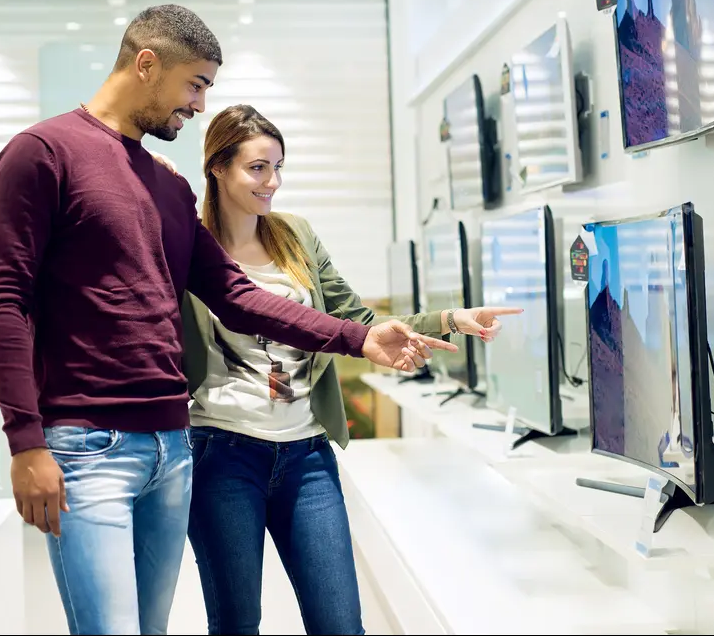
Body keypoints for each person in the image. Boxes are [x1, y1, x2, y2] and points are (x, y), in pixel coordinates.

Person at [0, 5, 453, 636]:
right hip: (88, 445)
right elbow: (0, 303)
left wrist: (361, 337)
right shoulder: (42, 153)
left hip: (173, 447)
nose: (199, 106)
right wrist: (26, 442)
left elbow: (236, 294)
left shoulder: (167, 188)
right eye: (195, 84)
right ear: (147, 64)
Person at [154, 104, 519, 635]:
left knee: (341, 624)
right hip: (224, 454)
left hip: (307, 454)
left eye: (279, 166)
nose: (272, 181)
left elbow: (358, 322)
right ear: (218, 167)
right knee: (235, 623)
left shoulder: (294, 235)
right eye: (258, 168)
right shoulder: (189, 246)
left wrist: (451, 320)